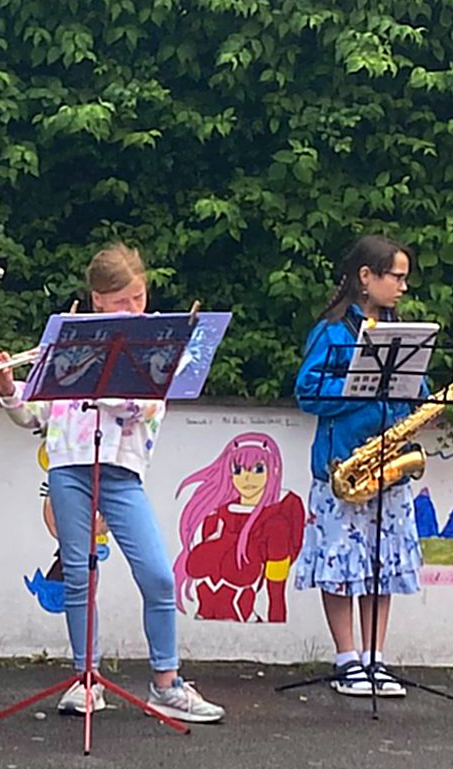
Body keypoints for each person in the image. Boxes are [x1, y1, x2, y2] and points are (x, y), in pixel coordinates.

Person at [0, 244, 224, 724]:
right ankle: (85, 680)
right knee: (79, 574)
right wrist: (10, 389)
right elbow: (36, 416)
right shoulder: (71, 341)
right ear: (97, 301)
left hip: (122, 471)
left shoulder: (156, 341)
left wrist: (105, 385)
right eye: (121, 302)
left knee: (157, 574)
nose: (133, 309)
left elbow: (148, 405)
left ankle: (167, 683)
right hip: (69, 465)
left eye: (137, 297)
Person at [291, 234, 423, 697]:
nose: (403, 286)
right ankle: (347, 658)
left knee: (380, 566)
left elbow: (416, 392)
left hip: (388, 467)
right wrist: (358, 391)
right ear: (366, 277)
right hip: (342, 467)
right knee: (339, 566)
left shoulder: (400, 334)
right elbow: (308, 394)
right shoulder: (331, 332)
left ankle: (375, 658)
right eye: (397, 277)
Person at [173, 434, 304, 623]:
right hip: (211, 613)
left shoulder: (282, 511)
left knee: (278, 529)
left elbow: (278, 578)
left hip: (252, 601)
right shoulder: (220, 515)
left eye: (258, 469)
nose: (247, 478)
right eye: (238, 470)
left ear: (273, 470)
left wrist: (276, 619)